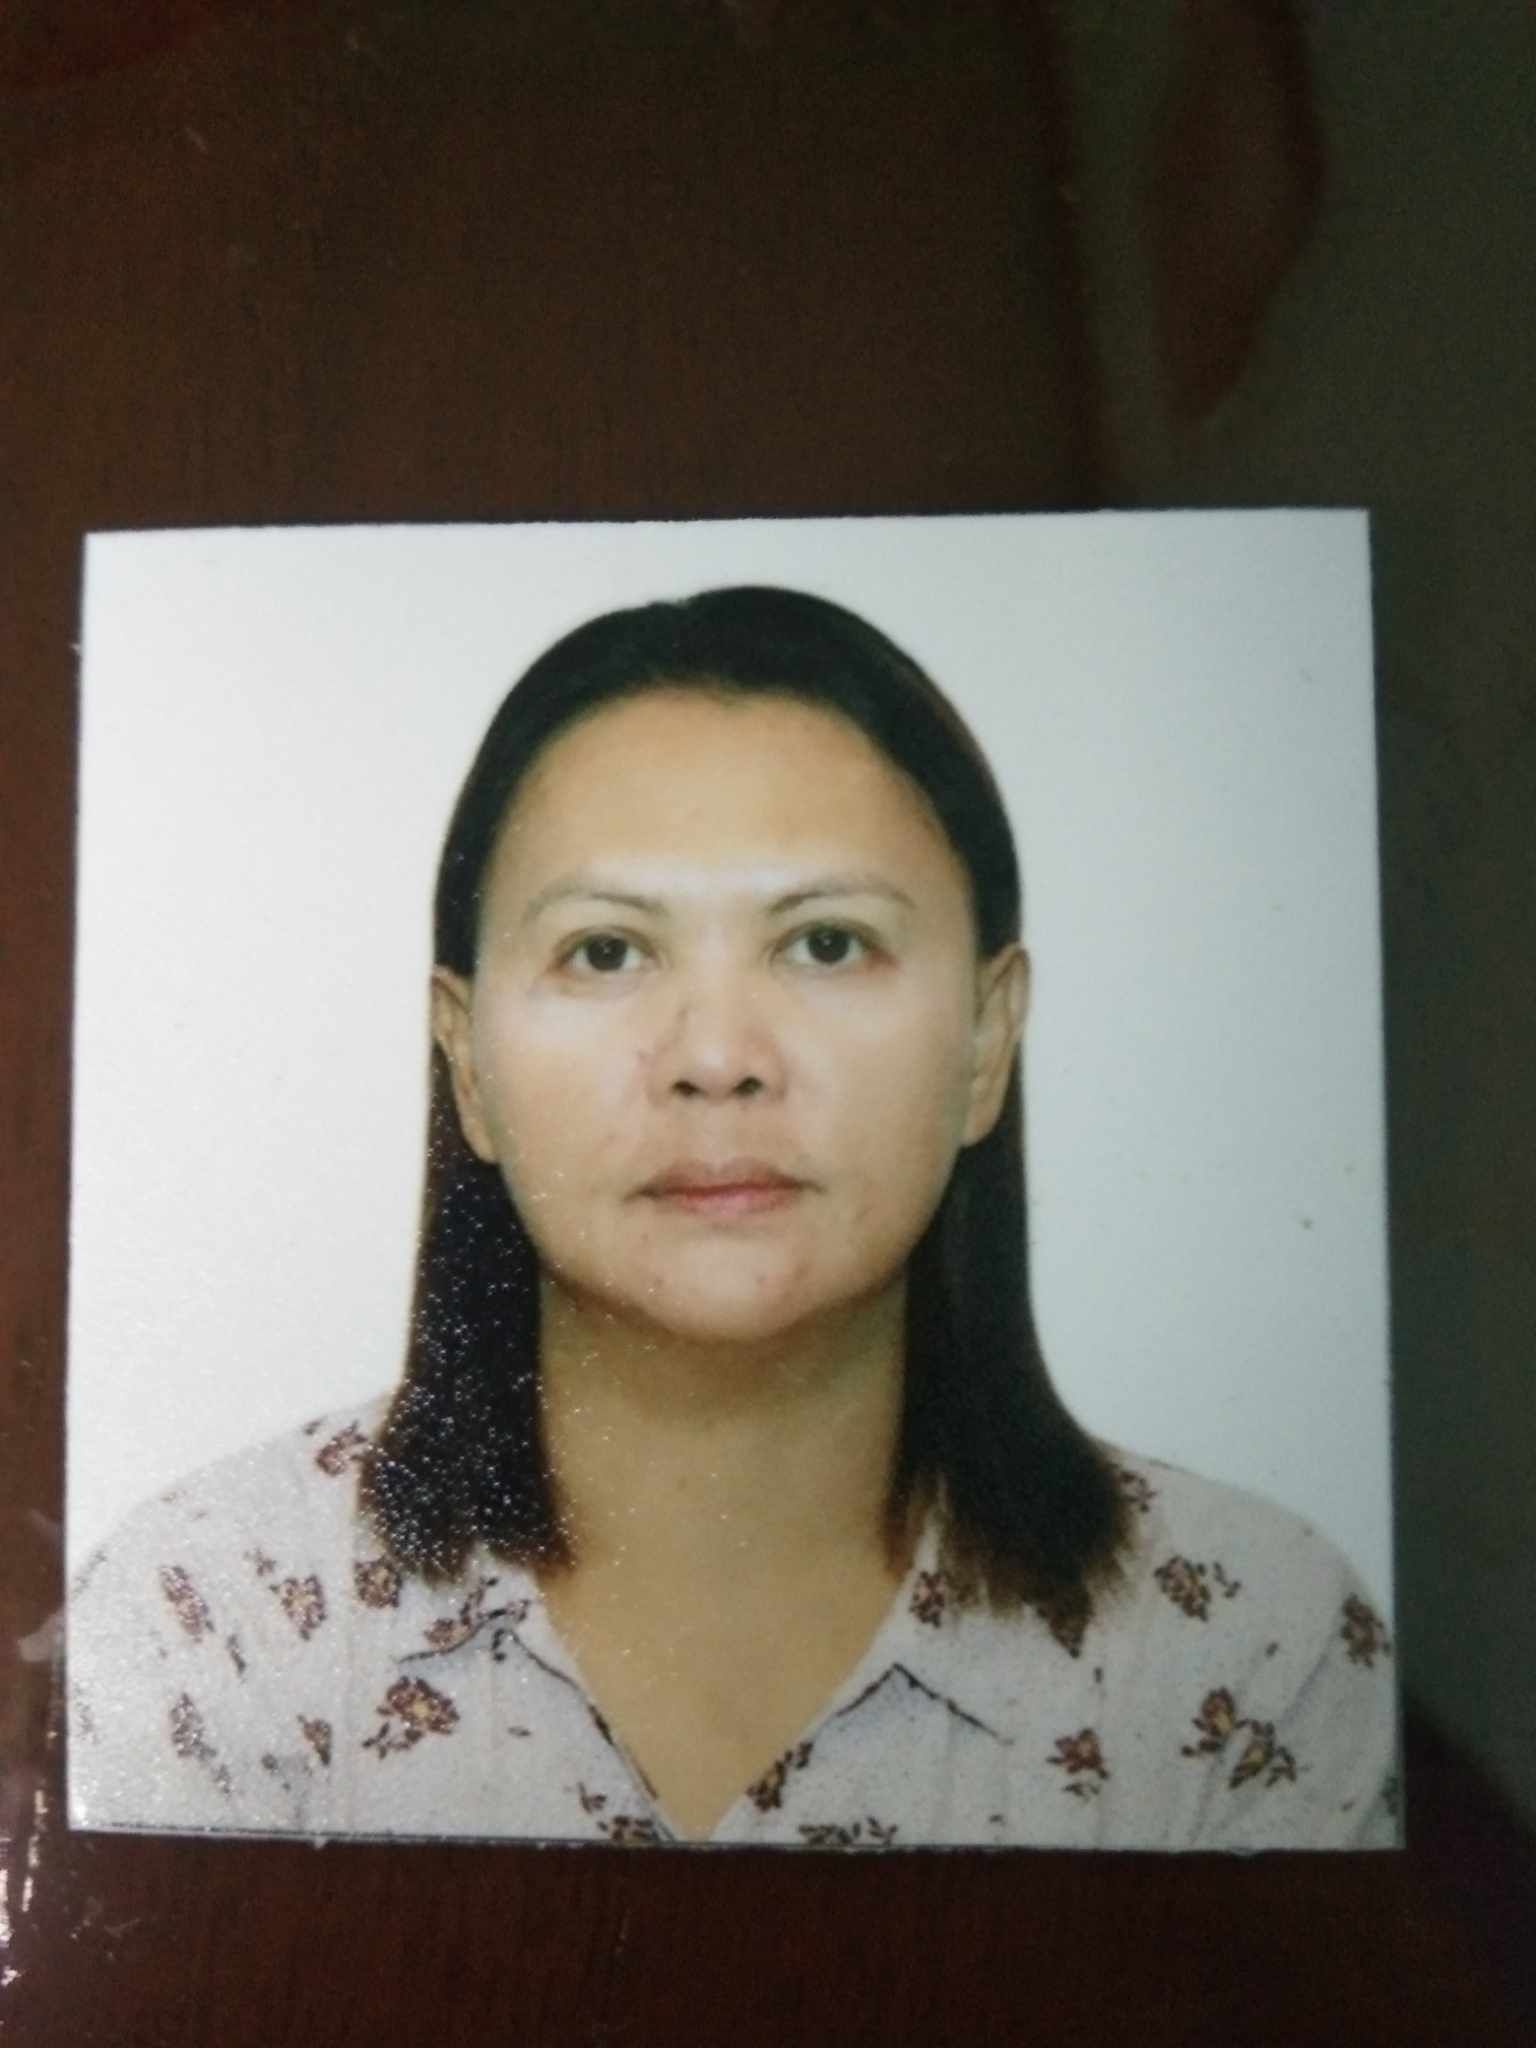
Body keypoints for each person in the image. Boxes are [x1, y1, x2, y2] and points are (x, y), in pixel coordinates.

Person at [67, 586, 1399, 1849]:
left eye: (827, 943)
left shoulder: (1248, 1656)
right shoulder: (219, 1627)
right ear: (466, 1062)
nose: (718, 1057)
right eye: (606, 951)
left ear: (989, 1039)